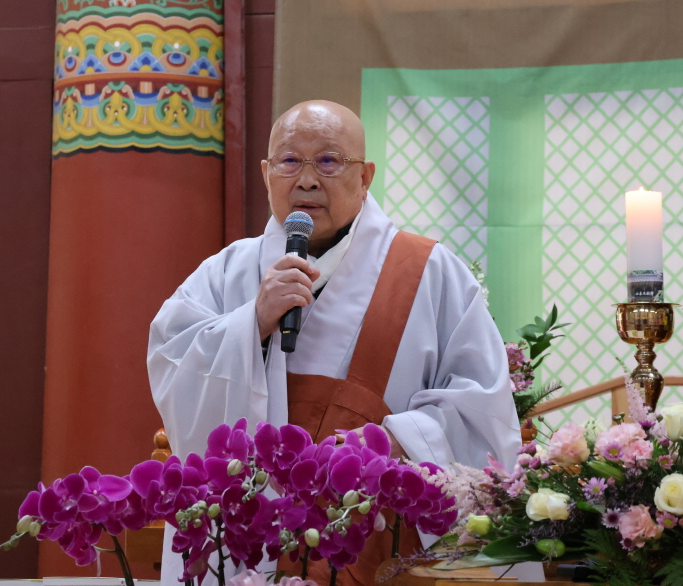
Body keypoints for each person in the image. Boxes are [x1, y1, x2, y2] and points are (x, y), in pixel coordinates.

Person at [148, 101, 520, 586]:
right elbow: (173, 366)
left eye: (328, 161)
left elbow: (483, 406)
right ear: (266, 174)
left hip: (379, 534)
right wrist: (253, 321)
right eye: (289, 162)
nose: (306, 180)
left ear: (365, 176)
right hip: (250, 539)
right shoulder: (225, 273)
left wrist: (394, 444)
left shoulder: (428, 271)